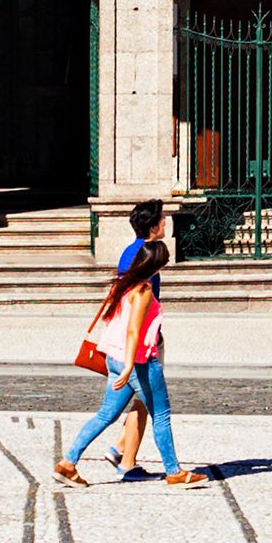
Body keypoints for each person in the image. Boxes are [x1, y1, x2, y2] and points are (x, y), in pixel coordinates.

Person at [55, 240, 207, 489]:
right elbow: (133, 331)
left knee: (105, 415)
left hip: (113, 357)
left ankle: (68, 464)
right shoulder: (143, 290)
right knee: (161, 415)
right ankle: (174, 472)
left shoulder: (122, 284)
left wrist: (121, 365)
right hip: (138, 362)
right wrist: (128, 367)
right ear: (156, 265)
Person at [104, 201, 170, 475]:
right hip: (142, 341)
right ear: (153, 227)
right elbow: (142, 307)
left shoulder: (127, 252)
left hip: (128, 339)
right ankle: (127, 461)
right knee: (147, 401)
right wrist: (149, 344)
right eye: (163, 221)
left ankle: (119, 448)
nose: (166, 224)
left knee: (135, 400)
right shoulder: (146, 258)